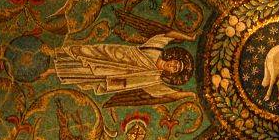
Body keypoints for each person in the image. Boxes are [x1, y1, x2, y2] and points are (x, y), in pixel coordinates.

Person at [51, 30, 194, 102]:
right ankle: (56, 55)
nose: (173, 66)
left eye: (175, 69)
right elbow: (169, 35)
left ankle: (54, 71)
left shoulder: (154, 80)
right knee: (86, 54)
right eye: (176, 63)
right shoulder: (156, 47)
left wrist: (190, 94)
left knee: (87, 73)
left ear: (172, 73)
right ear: (173, 58)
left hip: (112, 73)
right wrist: (189, 37)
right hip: (112, 55)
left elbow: (171, 94)